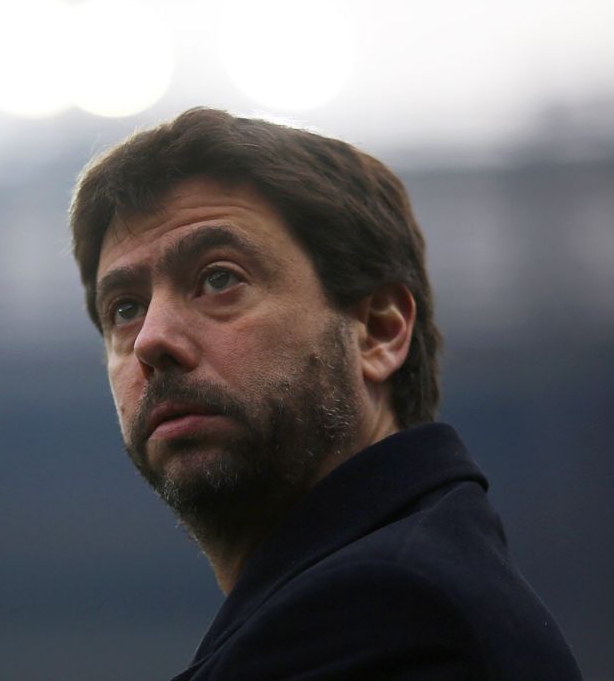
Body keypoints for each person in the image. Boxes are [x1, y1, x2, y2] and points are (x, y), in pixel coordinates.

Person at [68, 108, 580, 680]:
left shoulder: (390, 613)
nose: (151, 340)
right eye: (126, 309)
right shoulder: (391, 590)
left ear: (379, 332)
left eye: (218, 278)